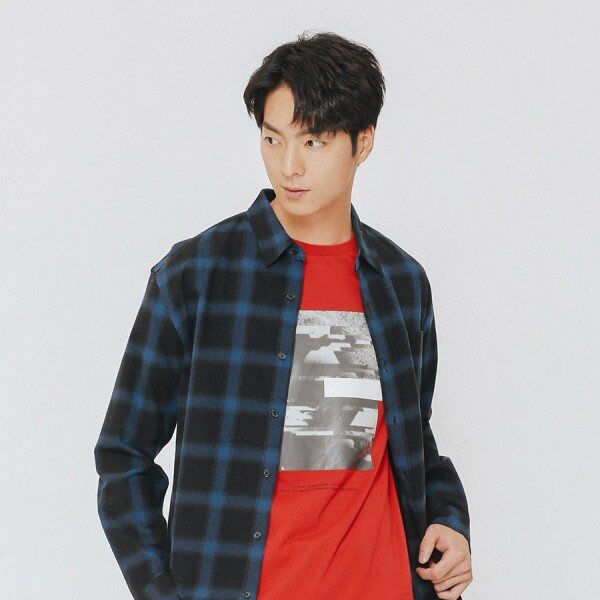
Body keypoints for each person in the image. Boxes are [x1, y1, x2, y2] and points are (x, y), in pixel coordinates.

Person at [94, 30, 472, 600]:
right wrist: (161, 591)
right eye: (273, 139)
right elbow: (123, 457)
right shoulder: (195, 276)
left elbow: (412, 440)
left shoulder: (401, 282)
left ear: (363, 143)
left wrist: (450, 522)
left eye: (313, 141)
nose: (289, 165)